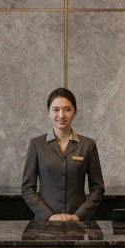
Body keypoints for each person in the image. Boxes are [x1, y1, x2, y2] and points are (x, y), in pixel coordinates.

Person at [21, 87, 105, 221]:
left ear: (75, 112)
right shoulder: (36, 144)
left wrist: (78, 215)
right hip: (44, 223)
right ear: (48, 112)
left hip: (79, 223)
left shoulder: (88, 145)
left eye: (67, 109)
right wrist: (49, 216)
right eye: (56, 110)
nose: (61, 115)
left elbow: (97, 188)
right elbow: (27, 188)